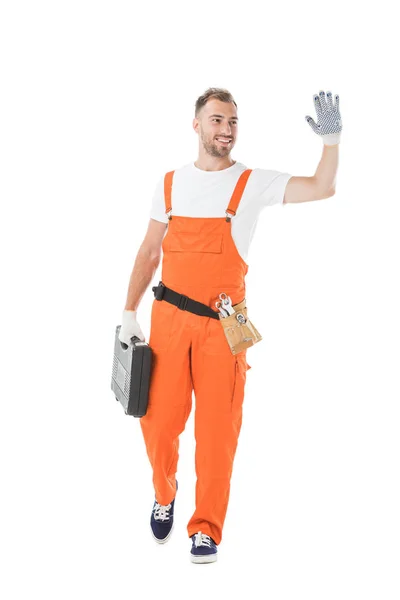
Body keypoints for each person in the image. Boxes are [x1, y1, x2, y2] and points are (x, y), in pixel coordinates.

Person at [118, 87, 341, 564]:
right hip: (170, 320)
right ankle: (165, 491)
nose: (226, 129)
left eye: (233, 121)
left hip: (224, 326)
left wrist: (332, 142)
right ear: (196, 125)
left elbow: (322, 187)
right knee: (156, 422)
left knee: (218, 432)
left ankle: (206, 527)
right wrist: (128, 312)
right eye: (217, 120)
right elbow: (149, 251)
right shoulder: (170, 184)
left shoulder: (252, 183)